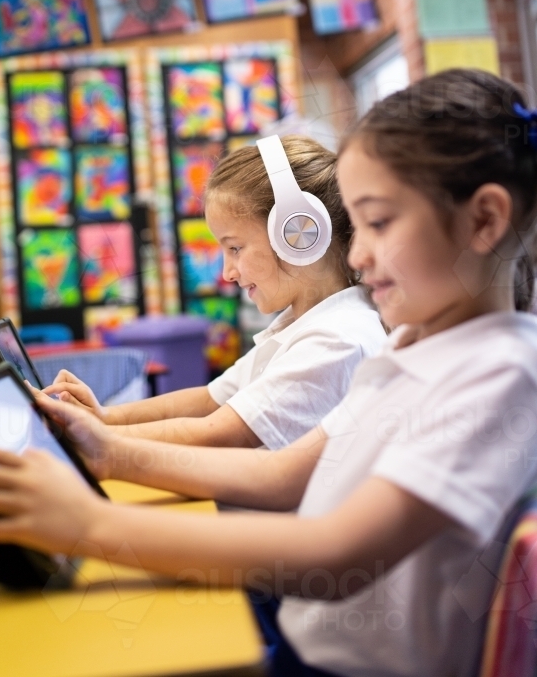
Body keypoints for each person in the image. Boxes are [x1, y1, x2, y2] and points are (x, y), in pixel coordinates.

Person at [0, 69, 537, 677]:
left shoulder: (499, 378)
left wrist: (91, 525)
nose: (357, 254)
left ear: (484, 220)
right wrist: (105, 449)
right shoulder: (415, 348)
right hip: (308, 647)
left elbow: (330, 558)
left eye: (378, 223)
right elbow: (283, 475)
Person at [43, 136, 386, 449]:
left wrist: (90, 434)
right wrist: (104, 417)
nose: (226, 273)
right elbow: (211, 398)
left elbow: (220, 432)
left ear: (298, 234)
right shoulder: (302, 324)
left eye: (235, 248)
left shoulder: (337, 339)